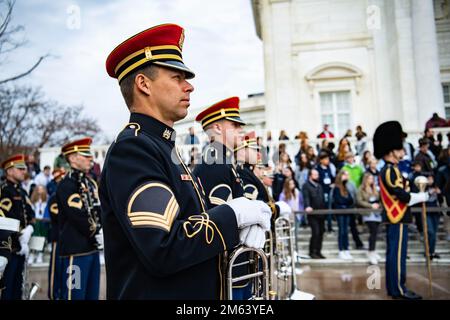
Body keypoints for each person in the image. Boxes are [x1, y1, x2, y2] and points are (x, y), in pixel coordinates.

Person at [100, 24, 271, 300]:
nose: (189, 86)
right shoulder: (133, 149)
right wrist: (232, 216)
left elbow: (190, 225)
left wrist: (235, 229)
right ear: (144, 84)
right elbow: (162, 248)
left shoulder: (163, 147)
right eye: (177, 77)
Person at [194, 98, 271, 300]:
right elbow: (218, 219)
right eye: (235, 125)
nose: (240, 129)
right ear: (218, 128)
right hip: (228, 266)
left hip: (236, 264)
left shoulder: (223, 161)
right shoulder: (215, 163)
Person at [373, 121, 429, 300]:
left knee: (395, 255)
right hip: (396, 217)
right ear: (391, 150)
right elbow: (401, 194)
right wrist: (419, 197)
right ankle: (399, 289)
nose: (403, 152)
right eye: (400, 148)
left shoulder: (393, 170)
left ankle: (395, 288)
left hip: (398, 218)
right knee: (397, 256)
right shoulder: (390, 171)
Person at [56, 138, 103, 300]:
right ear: (73, 158)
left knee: (92, 295)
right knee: (74, 296)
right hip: (75, 251)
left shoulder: (90, 183)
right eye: (85, 155)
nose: (90, 158)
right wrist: (95, 231)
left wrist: (103, 230)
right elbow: (78, 215)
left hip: (92, 249)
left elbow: (98, 209)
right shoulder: (67, 184)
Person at [0, 154, 35, 300]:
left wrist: (30, 229)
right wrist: (20, 237)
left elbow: (31, 214)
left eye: (24, 168)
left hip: (22, 248)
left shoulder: (22, 191)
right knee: (7, 290)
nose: (23, 171)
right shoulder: (4, 190)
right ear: (9, 171)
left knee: (17, 289)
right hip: (10, 248)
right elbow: (5, 219)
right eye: (19, 168)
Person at [46, 168, 65, 300]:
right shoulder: (54, 198)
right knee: (55, 269)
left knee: (64, 269)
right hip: (57, 237)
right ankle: (53, 295)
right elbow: (56, 216)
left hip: (66, 238)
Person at [357, 173, 382, 265]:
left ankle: (373, 250)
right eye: (370, 178)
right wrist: (370, 205)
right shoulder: (361, 188)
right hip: (368, 213)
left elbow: (380, 199)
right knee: (373, 231)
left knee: (376, 232)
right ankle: (371, 251)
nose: (371, 180)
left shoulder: (376, 188)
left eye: (372, 178)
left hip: (376, 213)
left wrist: (378, 205)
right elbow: (359, 201)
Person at [302, 169, 326, 259]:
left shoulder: (319, 186)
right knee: (315, 232)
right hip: (312, 214)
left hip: (321, 213)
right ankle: (312, 252)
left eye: (317, 174)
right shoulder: (306, 186)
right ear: (310, 176)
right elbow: (306, 197)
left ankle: (319, 251)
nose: (317, 176)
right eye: (315, 174)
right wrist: (307, 206)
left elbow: (322, 198)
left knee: (321, 233)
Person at [331, 170, 354, 260]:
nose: (347, 177)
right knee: (342, 231)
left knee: (346, 231)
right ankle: (341, 250)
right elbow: (338, 200)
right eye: (345, 175)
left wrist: (346, 202)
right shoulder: (336, 188)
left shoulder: (346, 187)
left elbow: (351, 200)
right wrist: (345, 201)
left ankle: (346, 250)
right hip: (340, 212)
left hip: (346, 211)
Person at [28, 185, 49, 264]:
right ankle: (32, 254)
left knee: (42, 238)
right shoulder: (33, 200)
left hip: (43, 221)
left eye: (42, 189)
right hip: (35, 221)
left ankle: (40, 253)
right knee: (34, 236)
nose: (40, 191)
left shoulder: (46, 200)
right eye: (38, 189)